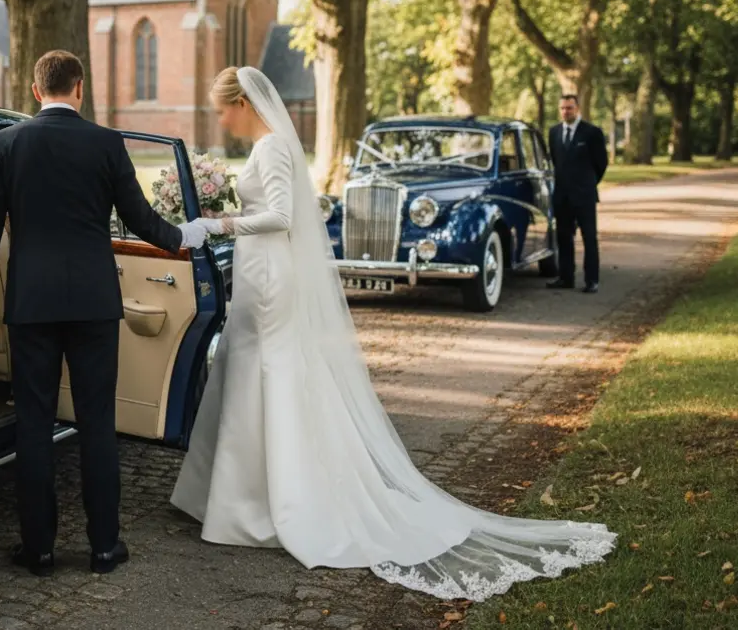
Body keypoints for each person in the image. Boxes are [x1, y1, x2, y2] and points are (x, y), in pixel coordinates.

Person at [169, 67, 616, 601]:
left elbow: (283, 216)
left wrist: (216, 224)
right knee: (251, 373)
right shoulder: (271, 147)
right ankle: (236, 495)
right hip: (262, 271)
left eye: (223, 109)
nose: (220, 119)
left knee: (267, 373)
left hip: (269, 280)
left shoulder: (270, 149)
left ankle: (263, 504)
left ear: (243, 102)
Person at [0, 50, 208, 577]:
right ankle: (103, 547)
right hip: (95, 304)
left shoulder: (7, 144)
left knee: (33, 425)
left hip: (31, 305)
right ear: (80, 89)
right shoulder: (105, 142)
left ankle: (39, 550)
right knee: (98, 423)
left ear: (36, 92)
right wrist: (182, 237)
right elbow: (140, 219)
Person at [547, 94, 608, 293]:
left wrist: (587, 184)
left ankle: (592, 280)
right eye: (563, 108)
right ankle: (566, 278)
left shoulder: (592, 133)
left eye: (570, 108)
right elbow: (556, 161)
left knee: (589, 238)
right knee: (564, 238)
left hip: (584, 196)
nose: (566, 111)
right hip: (562, 196)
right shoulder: (554, 132)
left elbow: (601, 164)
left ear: (578, 108)